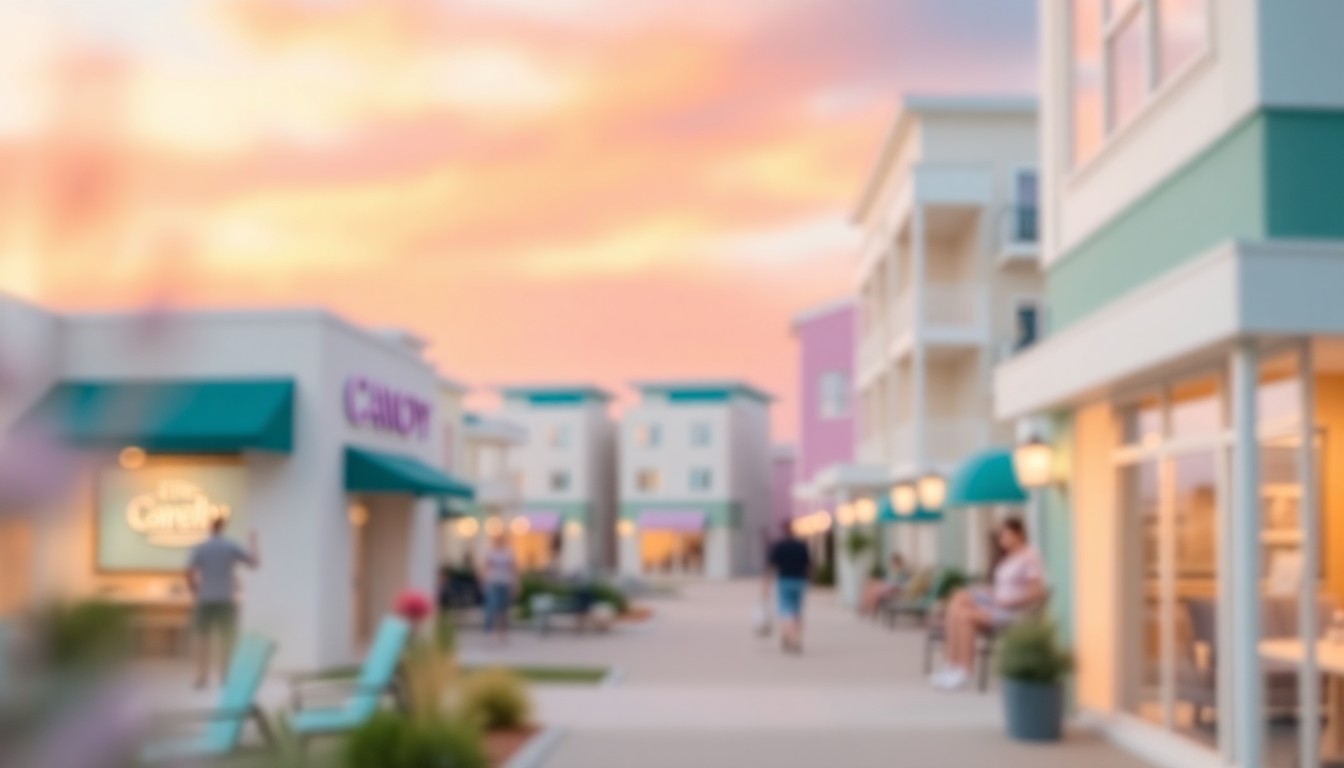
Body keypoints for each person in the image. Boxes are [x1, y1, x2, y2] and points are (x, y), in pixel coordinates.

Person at [931, 518, 1046, 690]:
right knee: (958, 599)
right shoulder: (1009, 557)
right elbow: (1003, 586)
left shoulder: (1029, 556)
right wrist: (985, 591)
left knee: (965, 616)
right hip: (996, 602)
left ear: (1019, 534)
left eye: (1005, 535)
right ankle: (952, 665)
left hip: (1011, 611)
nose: (1002, 539)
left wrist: (1008, 601)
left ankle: (964, 671)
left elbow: (1037, 592)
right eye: (1000, 536)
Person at [184, 518, 258, 688]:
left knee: (202, 639)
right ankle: (225, 675)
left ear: (210, 528)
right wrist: (253, 541)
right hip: (225, 597)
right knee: (226, 638)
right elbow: (253, 563)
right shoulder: (230, 546)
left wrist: (195, 590)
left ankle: (201, 676)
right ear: (223, 528)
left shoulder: (201, 547)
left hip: (206, 598)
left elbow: (188, 572)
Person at [765, 522, 812, 654]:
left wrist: (766, 586)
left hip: (785, 581)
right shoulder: (801, 546)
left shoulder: (779, 546)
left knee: (786, 612)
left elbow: (771, 567)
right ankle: (794, 637)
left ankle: (791, 638)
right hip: (799, 581)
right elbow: (808, 566)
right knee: (797, 612)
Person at [479, 533, 517, 645]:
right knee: (491, 608)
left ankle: (503, 633)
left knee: (504, 610)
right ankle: (489, 633)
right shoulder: (490, 552)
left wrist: (515, 585)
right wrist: (483, 581)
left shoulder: (508, 553)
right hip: (493, 583)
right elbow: (484, 567)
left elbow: (513, 569)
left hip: (505, 583)